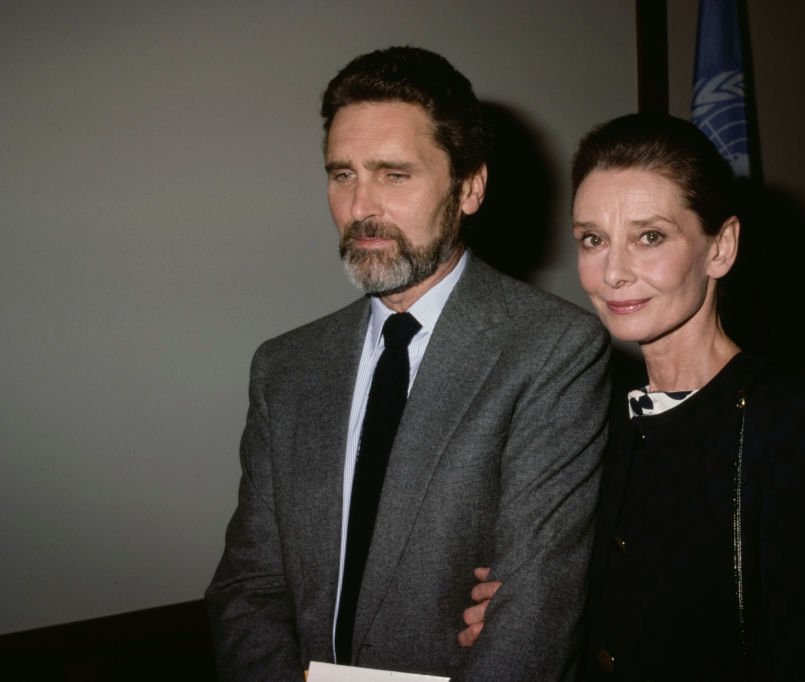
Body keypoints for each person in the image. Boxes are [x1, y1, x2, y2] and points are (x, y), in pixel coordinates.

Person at [205, 46, 610, 681]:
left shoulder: (553, 350)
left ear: (469, 187)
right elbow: (249, 588)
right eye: (342, 174)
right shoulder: (284, 368)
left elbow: (533, 618)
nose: (361, 206)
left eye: (394, 175)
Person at [460, 113, 805, 679]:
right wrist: (531, 609)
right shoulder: (595, 419)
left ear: (720, 247)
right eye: (593, 240)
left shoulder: (796, 416)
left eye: (649, 237)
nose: (612, 273)